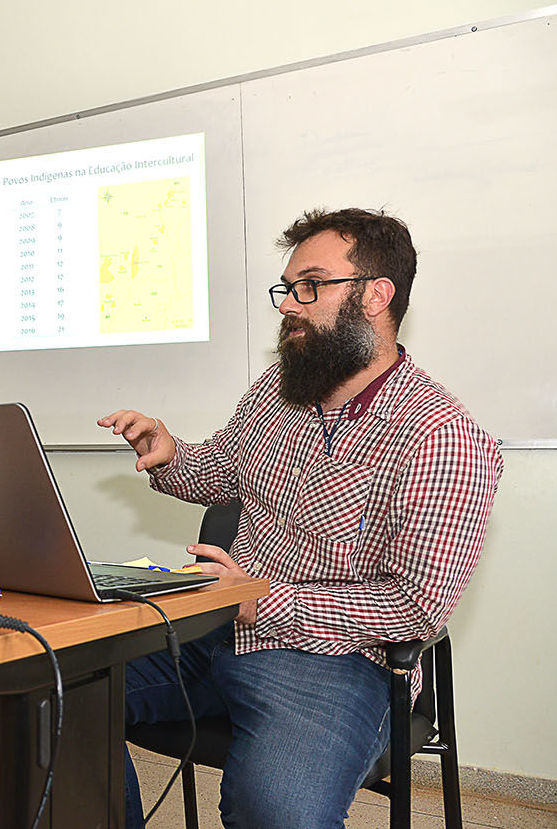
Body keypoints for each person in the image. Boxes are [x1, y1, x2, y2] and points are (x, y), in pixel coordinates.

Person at [99, 208, 502, 829]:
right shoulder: (278, 390)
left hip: (336, 660)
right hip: (219, 629)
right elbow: (219, 473)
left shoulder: (440, 434)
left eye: (310, 286)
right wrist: (170, 452)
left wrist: (260, 601)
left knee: (276, 812)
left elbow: (417, 608)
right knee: (54, 692)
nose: (289, 305)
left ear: (376, 295)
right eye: (287, 288)